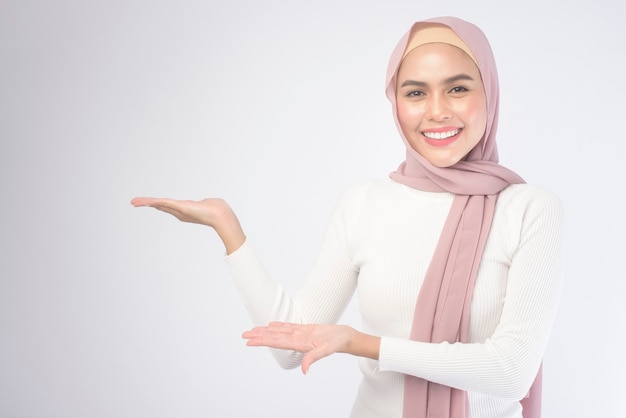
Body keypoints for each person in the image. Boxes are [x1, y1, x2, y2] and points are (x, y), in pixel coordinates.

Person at [131, 16, 564, 418]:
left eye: (458, 88)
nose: (437, 111)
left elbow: (511, 371)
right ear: (395, 103)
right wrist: (228, 228)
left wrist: (360, 343)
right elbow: (292, 349)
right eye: (415, 92)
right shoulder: (363, 205)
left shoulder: (529, 209)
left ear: (489, 91)